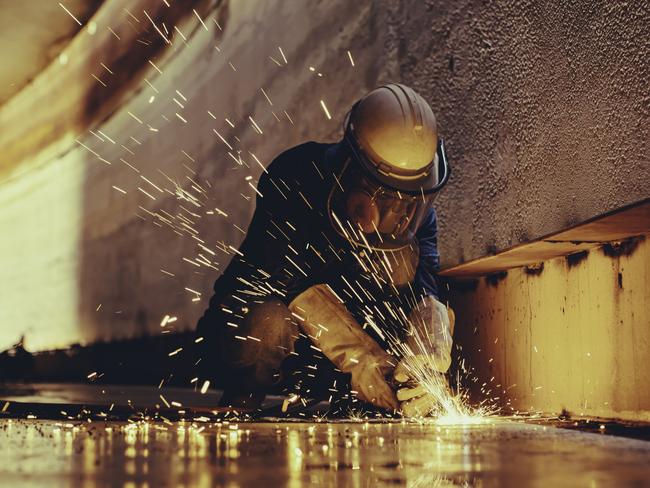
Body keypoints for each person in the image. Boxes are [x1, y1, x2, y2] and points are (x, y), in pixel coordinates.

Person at [195, 83, 454, 416]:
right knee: (269, 325)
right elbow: (290, 282)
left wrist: (427, 351)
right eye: (389, 199)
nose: (400, 214)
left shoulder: (414, 219)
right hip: (271, 341)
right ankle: (242, 401)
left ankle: (379, 398)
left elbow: (426, 289)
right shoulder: (296, 176)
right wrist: (361, 360)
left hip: (345, 355)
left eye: (408, 202)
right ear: (356, 174)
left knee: (409, 270)